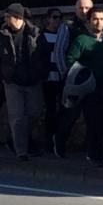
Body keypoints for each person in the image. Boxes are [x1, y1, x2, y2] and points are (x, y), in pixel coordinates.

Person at [0, 3, 46, 161]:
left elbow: (44, 55)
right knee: (17, 116)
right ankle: (21, 151)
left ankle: (15, 139)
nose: (5, 19)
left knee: (34, 113)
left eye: (8, 16)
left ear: (18, 18)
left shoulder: (35, 33)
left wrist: (40, 73)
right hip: (12, 82)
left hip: (32, 80)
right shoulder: (0, 35)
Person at [66, 10, 103, 167]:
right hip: (89, 86)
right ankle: (94, 152)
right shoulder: (81, 40)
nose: (99, 22)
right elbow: (71, 60)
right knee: (93, 120)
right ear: (89, 21)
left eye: (102, 19)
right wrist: (82, 77)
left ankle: (95, 147)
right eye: (95, 19)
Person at [53, 0, 94, 157]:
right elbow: (59, 53)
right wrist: (68, 76)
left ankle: (92, 150)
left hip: (90, 79)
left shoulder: (94, 26)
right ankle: (59, 142)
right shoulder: (68, 27)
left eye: (87, 8)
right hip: (73, 79)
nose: (84, 11)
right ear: (75, 9)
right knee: (70, 114)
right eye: (81, 8)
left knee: (93, 115)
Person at [38, 8, 67, 151]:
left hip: (61, 76)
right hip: (48, 78)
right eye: (55, 17)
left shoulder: (63, 35)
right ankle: (49, 140)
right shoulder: (42, 36)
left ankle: (59, 139)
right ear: (48, 18)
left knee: (62, 110)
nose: (57, 20)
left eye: (60, 18)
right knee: (50, 110)